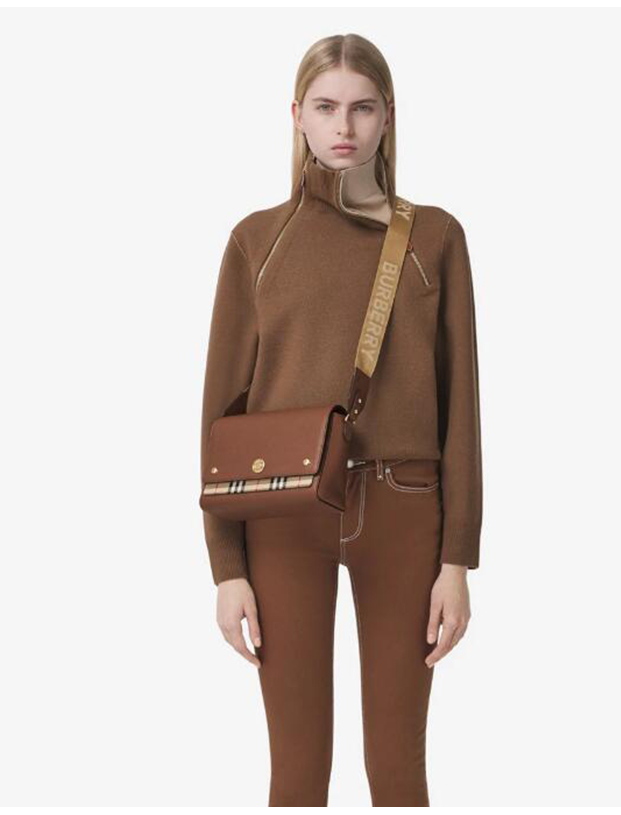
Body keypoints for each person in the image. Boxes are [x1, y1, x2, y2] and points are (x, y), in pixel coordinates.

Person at [199, 33, 483, 807]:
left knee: (398, 773)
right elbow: (220, 419)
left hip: (405, 508)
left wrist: (457, 559)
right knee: (296, 776)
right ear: (297, 115)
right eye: (325, 107)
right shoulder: (256, 242)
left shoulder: (434, 239)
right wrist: (227, 567)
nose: (344, 126)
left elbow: (462, 410)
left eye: (361, 107)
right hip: (284, 516)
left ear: (388, 114)